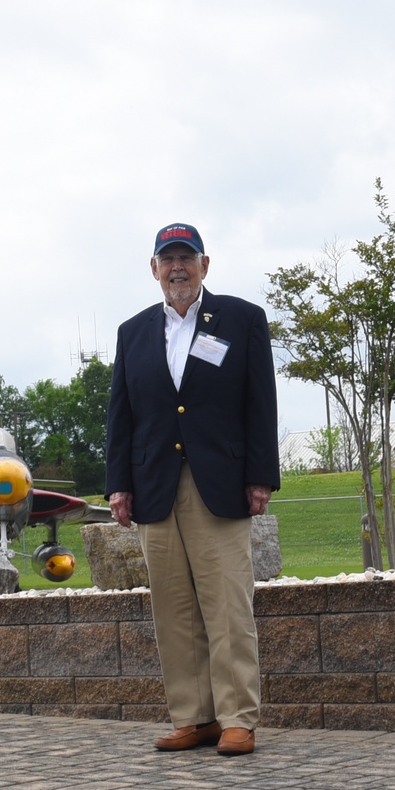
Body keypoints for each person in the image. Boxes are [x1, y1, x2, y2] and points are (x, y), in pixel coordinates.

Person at [105, 222, 279, 757]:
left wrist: (260, 475)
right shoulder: (132, 332)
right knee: (174, 611)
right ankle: (193, 716)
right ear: (153, 269)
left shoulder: (242, 320)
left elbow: (259, 402)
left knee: (227, 607)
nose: (176, 267)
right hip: (155, 488)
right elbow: (122, 416)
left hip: (220, 485)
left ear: (206, 264)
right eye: (167, 258)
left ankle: (237, 718)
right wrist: (118, 485)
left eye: (186, 257)